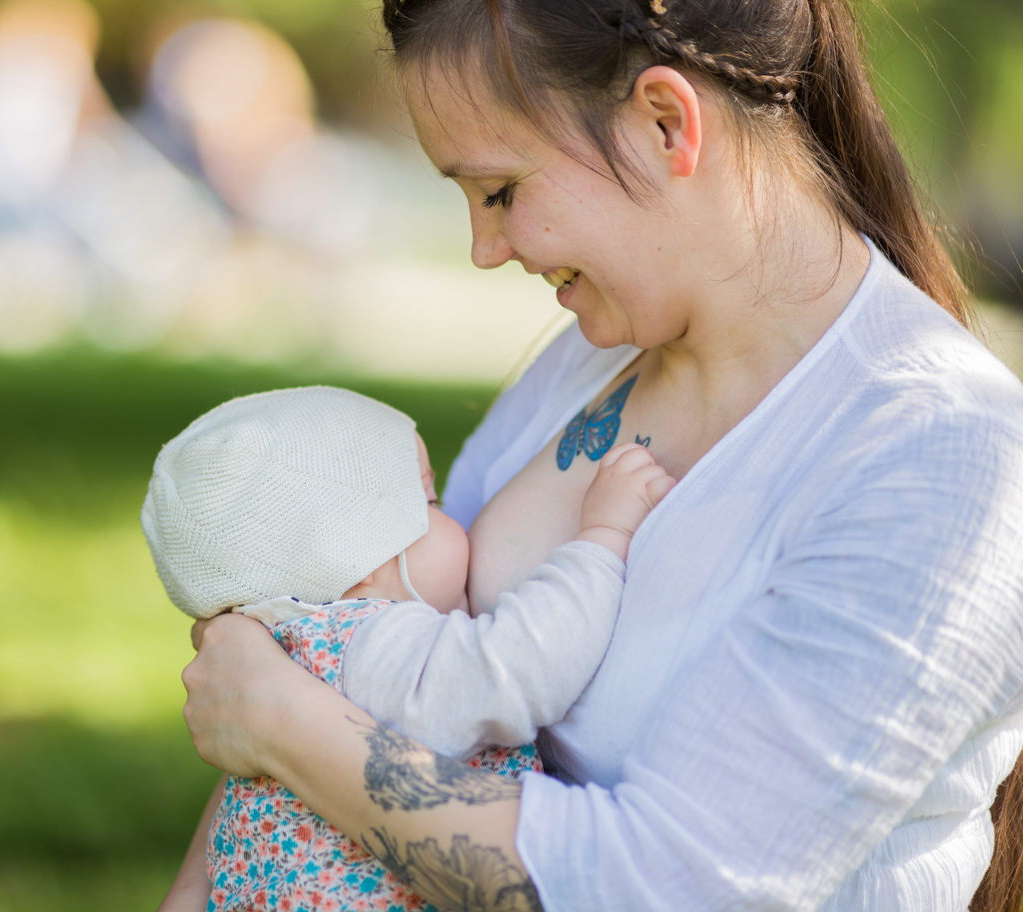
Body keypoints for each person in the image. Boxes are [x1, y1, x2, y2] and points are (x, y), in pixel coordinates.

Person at [170, 0, 1023, 909]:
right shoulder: (592, 355)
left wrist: (281, 723)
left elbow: (665, 889)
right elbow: (365, 657)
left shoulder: (944, 459)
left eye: (500, 191)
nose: (483, 250)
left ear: (666, 124)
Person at [142, 386, 673, 910]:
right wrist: (604, 535)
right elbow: (522, 666)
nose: (455, 520)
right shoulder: (372, 647)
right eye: (429, 501)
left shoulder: (284, 653)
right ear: (361, 558)